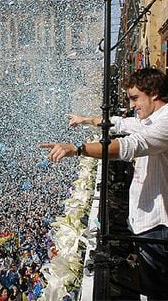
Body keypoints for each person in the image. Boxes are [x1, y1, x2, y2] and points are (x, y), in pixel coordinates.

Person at [40, 67, 168, 299]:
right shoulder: (150, 120)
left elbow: (129, 146)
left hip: (158, 229)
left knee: (158, 293)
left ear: (155, 93)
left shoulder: (165, 121)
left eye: (135, 98)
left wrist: (77, 149)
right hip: (146, 226)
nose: (131, 106)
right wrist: (87, 120)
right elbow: (121, 124)